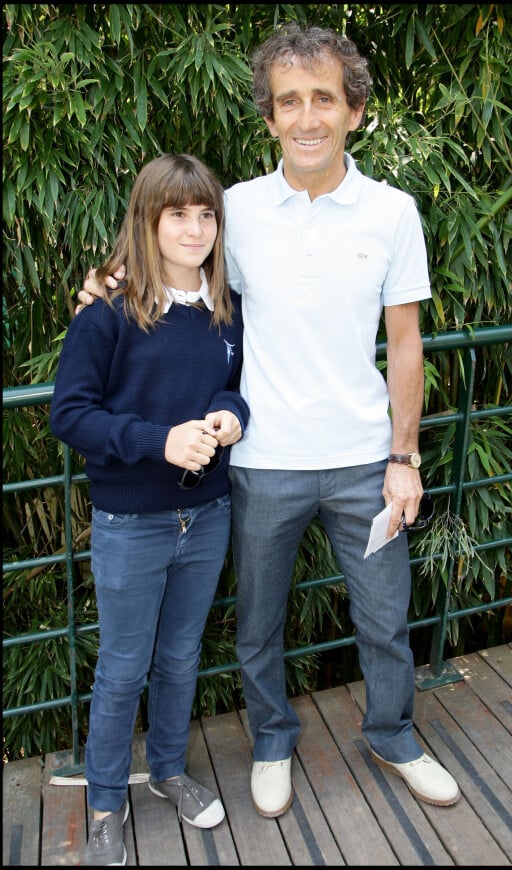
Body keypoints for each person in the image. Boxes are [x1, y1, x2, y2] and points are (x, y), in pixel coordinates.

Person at [78, 24, 460, 820]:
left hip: (364, 457)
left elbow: (404, 340)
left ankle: (394, 736)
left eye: (325, 97)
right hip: (258, 462)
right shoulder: (237, 211)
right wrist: (104, 281)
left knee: (386, 619)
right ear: (270, 117)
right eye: (290, 101)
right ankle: (274, 743)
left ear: (354, 109)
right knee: (258, 626)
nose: (308, 116)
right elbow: (170, 262)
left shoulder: (394, 213)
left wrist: (405, 455)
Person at [51, 153, 249, 865]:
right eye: (178, 214)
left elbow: (235, 387)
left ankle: (167, 770)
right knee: (124, 666)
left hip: (209, 513)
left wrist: (228, 420)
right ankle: (105, 801)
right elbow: (70, 415)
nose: (195, 229)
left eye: (206, 214)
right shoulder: (108, 313)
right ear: (149, 219)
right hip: (131, 520)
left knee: (181, 657)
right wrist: (157, 441)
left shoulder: (225, 308)